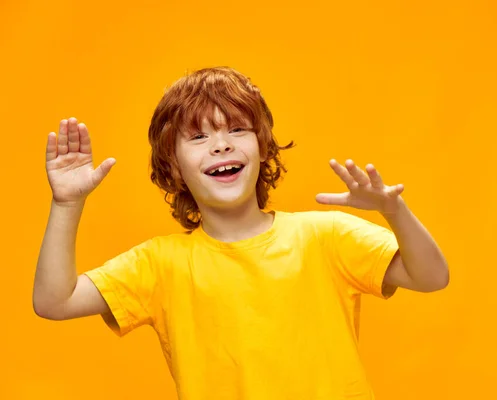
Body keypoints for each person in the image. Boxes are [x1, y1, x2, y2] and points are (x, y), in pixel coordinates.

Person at [33, 66, 449, 399]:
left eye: (237, 129)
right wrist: (67, 204)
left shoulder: (326, 235)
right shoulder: (160, 263)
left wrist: (395, 211)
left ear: (264, 146)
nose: (220, 145)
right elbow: (54, 301)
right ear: (173, 166)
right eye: (198, 136)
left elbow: (431, 277)